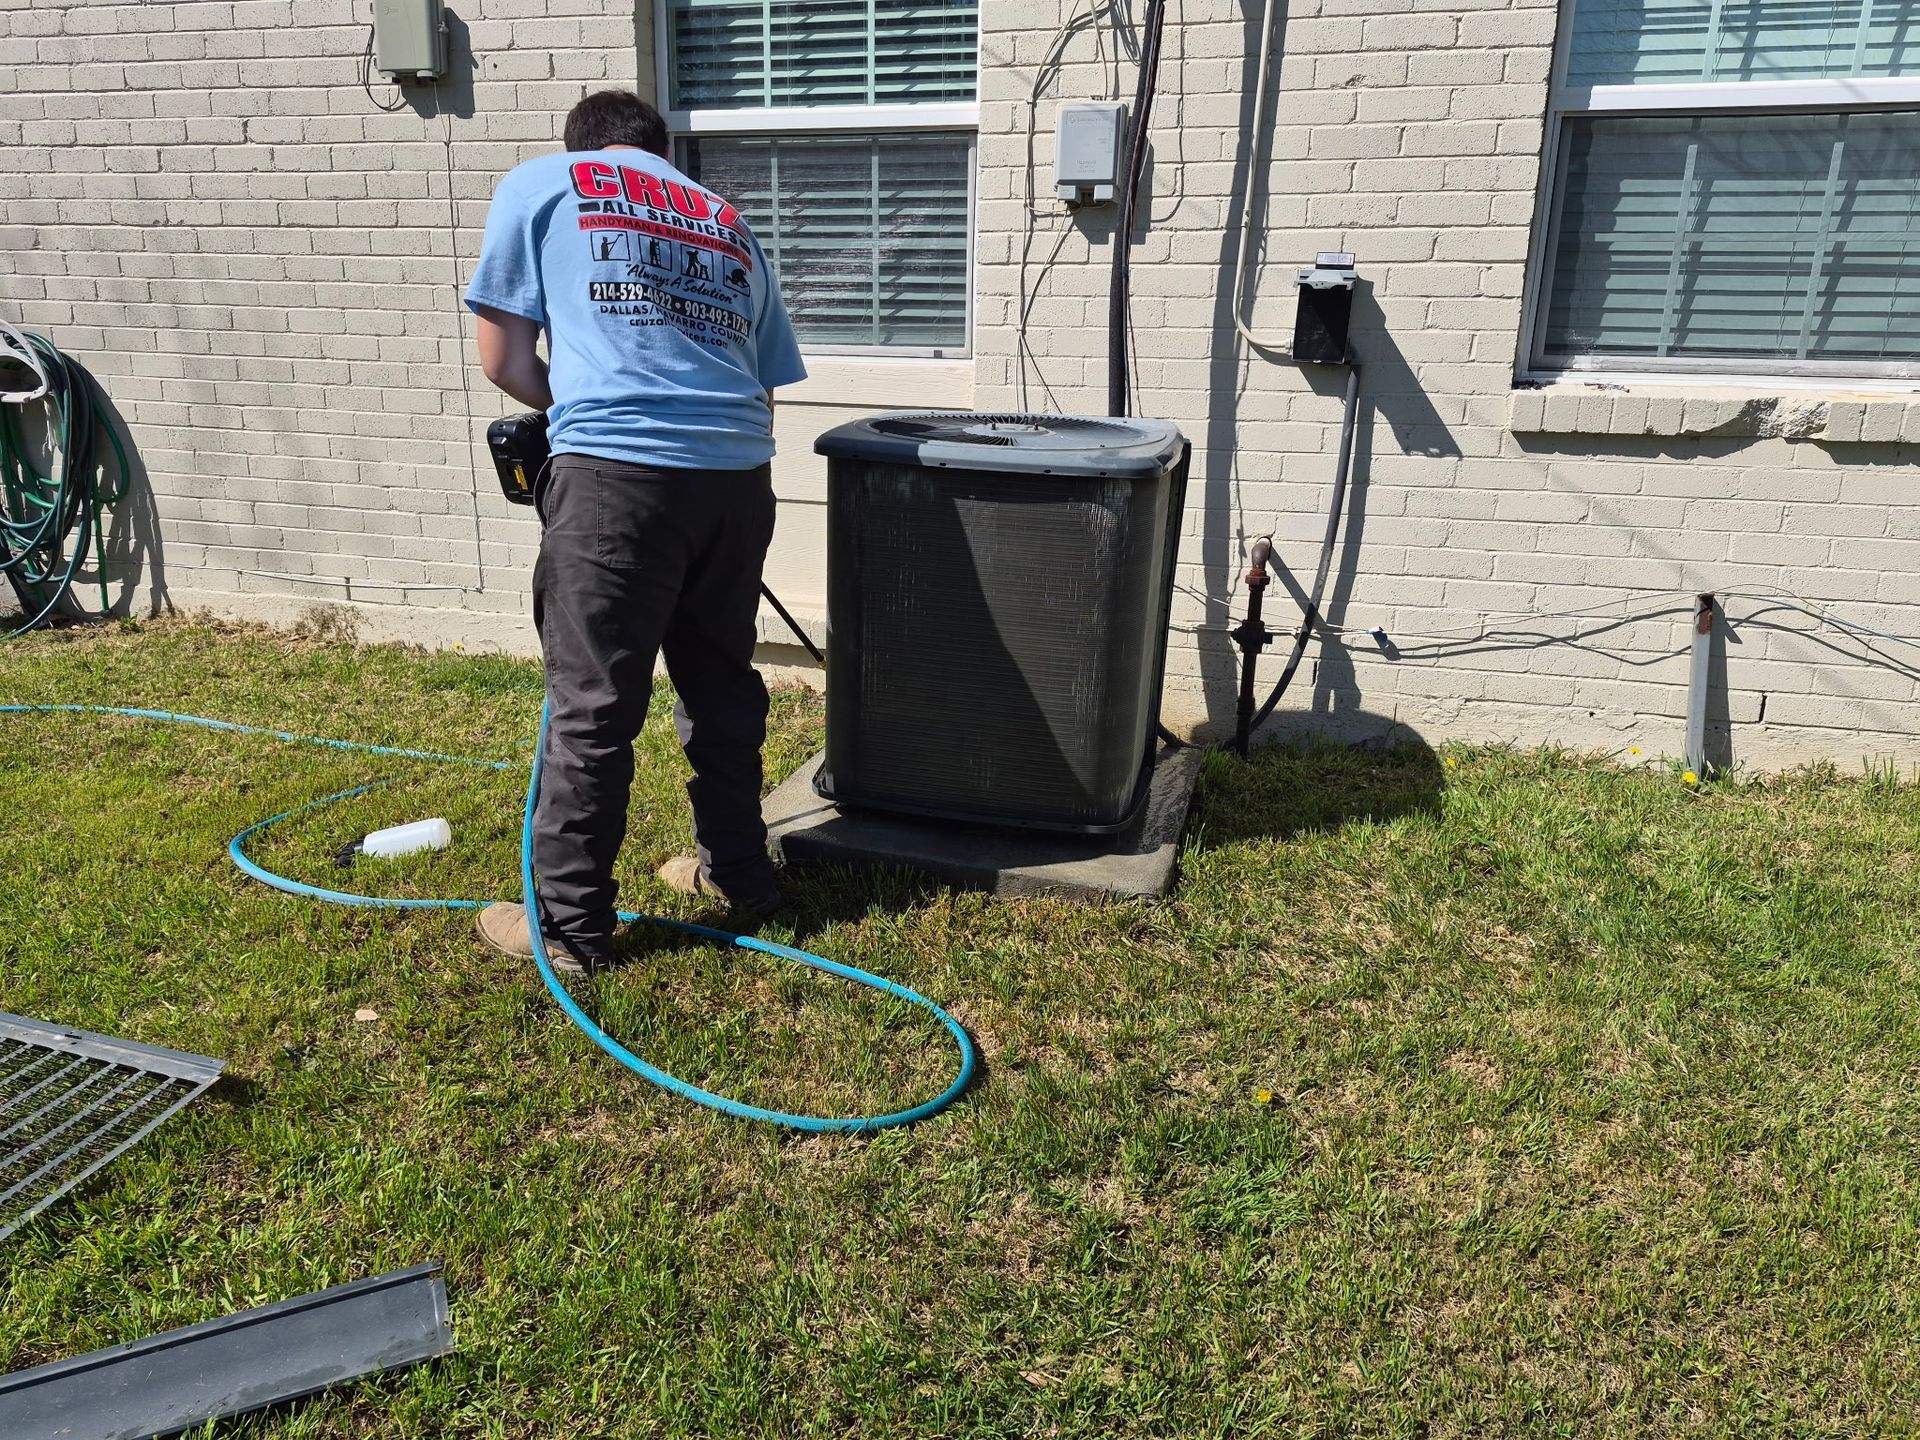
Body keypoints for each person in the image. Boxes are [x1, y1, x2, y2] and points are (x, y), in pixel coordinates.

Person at [463, 90, 806, 975]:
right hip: (736, 482)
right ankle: (740, 878)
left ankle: (571, 931)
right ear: (660, 151)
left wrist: (579, 411)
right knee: (721, 688)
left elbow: (502, 359)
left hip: (618, 482)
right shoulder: (725, 220)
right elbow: (763, 385)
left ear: (583, 146)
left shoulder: (547, 183)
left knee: (593, 708)